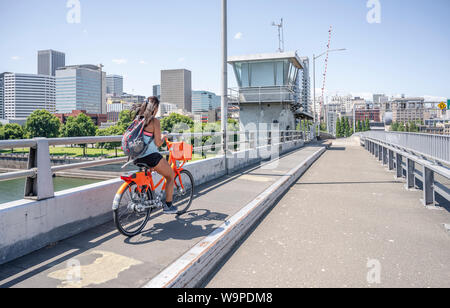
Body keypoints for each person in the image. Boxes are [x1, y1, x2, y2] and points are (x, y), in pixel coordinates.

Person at [132, 96, 177, 214]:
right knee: (171, 176)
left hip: (136, 157)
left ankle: (149, 200)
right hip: (151, 157)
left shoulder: (137, 119)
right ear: (155, 108)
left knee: (149, 175)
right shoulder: (154, 121)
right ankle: (168, 206)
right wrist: (163, 137)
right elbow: (158, 143)